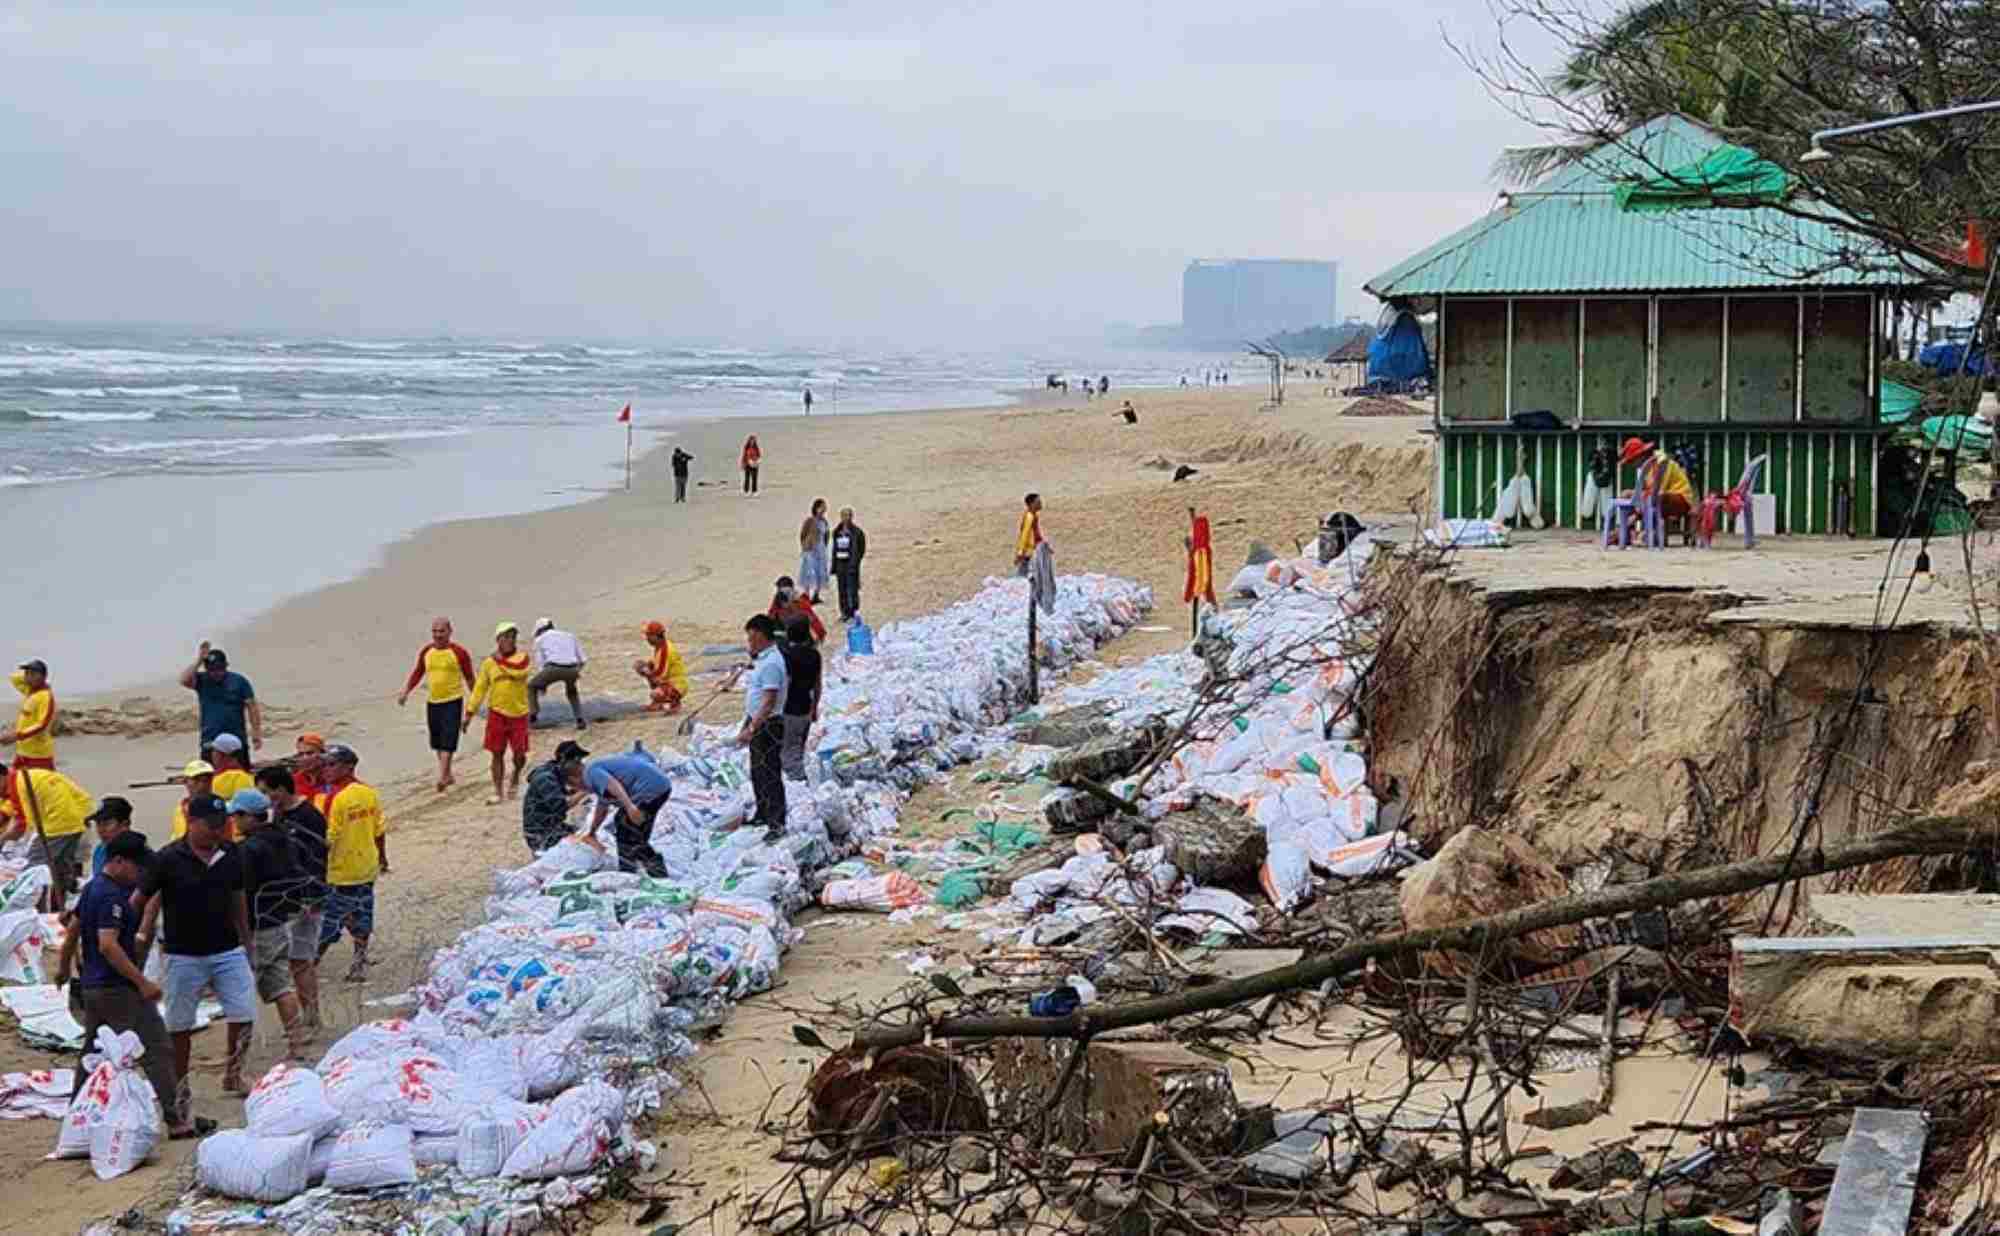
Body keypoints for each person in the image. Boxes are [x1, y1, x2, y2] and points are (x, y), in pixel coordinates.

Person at [56, 831, 210, 1139]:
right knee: (157, 1049)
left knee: (92, 1052)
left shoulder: (92, 889)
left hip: (93, 988)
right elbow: (108, 945)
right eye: (137, 868)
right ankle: (178, 1119)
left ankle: (77, 1117)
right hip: (116, 989)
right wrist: (142, 983)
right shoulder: (110, 895)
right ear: (118, 861)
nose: (140, 876)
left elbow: (73, 929)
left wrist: (63, 968)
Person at [140, 792, 255, 1097]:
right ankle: (180, 1083)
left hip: (227, 949)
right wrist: (138, 936)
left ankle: (234, 1073)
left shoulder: (230, 854)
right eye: (211, 825)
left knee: (244, 1014)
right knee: (179, 1025)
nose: (218, 831)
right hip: (182, 954)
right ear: (192, 822)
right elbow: (146, 901)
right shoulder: (167, 858)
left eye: (222, 825)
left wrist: (247, 942)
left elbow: (238, 897)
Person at [228, 788, 308, 1060]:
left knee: (241, 993)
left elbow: (241, 890)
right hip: (278, 920)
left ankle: (237, 1059)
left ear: (251, 817)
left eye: (238, 816)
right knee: (281, 985)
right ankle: (296, 1044)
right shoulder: (283, 837)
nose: (234, 822)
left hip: (255, 926)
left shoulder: (249, 850)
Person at [256, 765, 327, 1032]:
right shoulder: (276, 815)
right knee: (293, 960)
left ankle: (311, 1015)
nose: (263, 797)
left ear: (281, 789)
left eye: (265, 791)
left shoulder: (308, 816)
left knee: (301, 959)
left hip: (308, 900)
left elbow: (319, 858)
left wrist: (312, 897)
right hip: (285, 900)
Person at [315, 745, 386, 982]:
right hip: (366, 866)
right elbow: (379, 830)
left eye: (332, 764)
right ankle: (357, 964)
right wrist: (382, 858)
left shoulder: (335, 798)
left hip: (340, 870)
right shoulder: (369, 792)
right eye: (325, 764)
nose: (326, 769)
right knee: (361, 914)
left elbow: (330, 837)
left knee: (331, 920)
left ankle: (309, 967)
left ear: (348, 767)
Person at [397, 617, 476, 793]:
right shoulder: (427, 651)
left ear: (450, 632)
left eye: (441, 631)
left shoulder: (459, 652)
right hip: (433, 702)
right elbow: (418, 672)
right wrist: (406, 691)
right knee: (437, 741)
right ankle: (448, 774)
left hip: (453, 700)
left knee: (449, 739)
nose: (438, 635)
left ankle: (442, 776)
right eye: (435, 631)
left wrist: (475, 699)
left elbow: (469, 677)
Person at [1, 761, 94, 910]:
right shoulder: (28, 777)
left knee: (34, 869)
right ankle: (61, 905)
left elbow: (20, 825)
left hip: (59, 823)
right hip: (76, 815)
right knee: (61, 867)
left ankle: (36, 910)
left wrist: (2, 841)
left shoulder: (18, 784)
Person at [464, 621, 533, 803]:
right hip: (497, 713)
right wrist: (469, 713)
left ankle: (516, 775)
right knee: (497, 753)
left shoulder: (522, 658)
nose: (510, 640)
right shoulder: (489, 664)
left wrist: (499, 660)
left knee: (519, 754)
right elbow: (480, 689)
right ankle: (498, 791)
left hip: (519, 713)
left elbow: (519, 672)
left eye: (513, 637)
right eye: (506, 637)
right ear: (498, 640)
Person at [735, 615, 788, 841]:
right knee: (758, 771)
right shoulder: (763, 660)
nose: (749, 641)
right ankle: (762, 813)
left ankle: (776, 822)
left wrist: (752, 727)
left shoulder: (773, 663)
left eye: (751, 637)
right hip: (758, 722)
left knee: (770, 773)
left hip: (769, 725)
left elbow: (768, 701)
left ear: (759, 636)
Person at [581, 750, 672, 876]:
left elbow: (613, 784)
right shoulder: (595, 781)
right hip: (659, 787)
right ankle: (642, 871)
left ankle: (633, 873)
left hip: (651, 789)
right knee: (631, 831)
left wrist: (630, 807)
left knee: (627, 830)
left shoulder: (590, 772)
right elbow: (602, 807)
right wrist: (592, 832)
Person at [179, 642, 261, 757]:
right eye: (211, 669)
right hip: (210, 740)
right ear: (206, 669)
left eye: (220, 668)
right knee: (211, 773)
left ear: (226, 666)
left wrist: (256, 733)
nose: (216, 673)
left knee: (239, 773)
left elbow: (252, 707)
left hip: (236, 739)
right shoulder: (202, 680)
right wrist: (199, 660)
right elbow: (183, 680)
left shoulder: (239, 681)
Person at [522, 739, 589, 855]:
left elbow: (567, 791)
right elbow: (561, 806)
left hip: (552, 826)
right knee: (586, 845)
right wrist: (586, 790)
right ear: (564, 761)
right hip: (541, 835)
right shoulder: (545, 779)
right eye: (577, 762)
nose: (580, 766)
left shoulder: (555, 771)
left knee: (585, 832)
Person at [1618, 436, 1695, 534]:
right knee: (1626, 494)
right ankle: (1624, 534)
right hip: (1659, 496)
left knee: (1657, 497)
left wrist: (1637, 515)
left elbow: (1657, 492)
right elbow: (1646, 490)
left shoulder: (1662, 463)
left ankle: (1651, 533)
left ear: (1641, 456)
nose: (1633, 465)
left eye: (1632, 461)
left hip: (1681, 498)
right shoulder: (1647, 468)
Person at [777, 616, 822, 782]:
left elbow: (786, 683)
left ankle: (800, 784)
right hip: (806, 707)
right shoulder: (814, 655)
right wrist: (815, 708)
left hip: (790, 709)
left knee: (790, 754)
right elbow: (818, 684)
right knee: (798, 749)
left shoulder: (788, 656)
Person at [528, 618, 588, 731]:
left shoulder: (539, 640)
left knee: (531, 686)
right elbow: (583, 659)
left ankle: (533, 716)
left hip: (552, 668)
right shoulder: (570, 635)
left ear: (539, 630)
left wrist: (542, 685)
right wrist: (576, 672)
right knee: (572, 691)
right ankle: (580, 719)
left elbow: (541, 663)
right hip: (572, 669)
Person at [4, 658, 56, 770]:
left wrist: (17, 736)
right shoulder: (29, 691)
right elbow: (13, 679)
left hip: (38, 756)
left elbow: (42, 725)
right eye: (27, 673)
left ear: (43, 676)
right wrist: (28, 677)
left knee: (41, 786)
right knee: (13, 784)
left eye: (33, 674)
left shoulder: (45, 696)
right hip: (22, 752)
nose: (28, 676)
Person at [635, 622, 690, 713]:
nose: (647, 639)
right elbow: (654, 663)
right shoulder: (660, 646)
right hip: (671, 682)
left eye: (649, 636)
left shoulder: (665, 650)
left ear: (655, 636)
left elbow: (659, 674)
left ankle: (671, 703)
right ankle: (660, 702)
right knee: (643, 668)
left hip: (677, 686)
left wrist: (645, 671)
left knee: (655, 692)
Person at [830, 507, 867, 622]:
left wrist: (856, 561)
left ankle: (853, 611)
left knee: (853, 588)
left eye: (849, 515)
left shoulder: (857, 532)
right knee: (842, 589)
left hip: (851, 564)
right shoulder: (837, 531)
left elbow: (861, 548)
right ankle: (844, 612)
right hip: (840, 563)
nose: (847, 518)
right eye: (844, 515)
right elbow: (834, 549)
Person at [169, 760, 218, 841]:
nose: (202, 785)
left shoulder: (224, 808)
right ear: (186, 782)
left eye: (207, 780)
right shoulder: (181, 811)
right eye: (196, 780)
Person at [768, 576, 827, 643]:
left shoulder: (800, 602)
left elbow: (812, 619)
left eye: (779, 588)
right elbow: (770, 616)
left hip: (800, 635)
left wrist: (820, 634)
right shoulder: (778, 599)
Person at [87, 796, 134, 879]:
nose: (100, 830)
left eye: (106, 824)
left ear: (125, 825)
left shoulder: (136, 853)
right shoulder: (100, 850)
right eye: (98, 824)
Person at [797, 498, 831, 604]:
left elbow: (826, 535)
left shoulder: (824, 522)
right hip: (811, 549)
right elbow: (803, 534)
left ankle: (816, 595)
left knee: (820, 571)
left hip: (820, 549)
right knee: (809, 571)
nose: (823, 510)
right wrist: (804, 546)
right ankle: (807, 594)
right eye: (821, 507)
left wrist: (824, 546)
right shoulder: (810, 521)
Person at [208, 733, 254, 806]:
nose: (211, 754)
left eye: (214, 750)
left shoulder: (214, 781)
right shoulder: (248, 778)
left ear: (223, 754)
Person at [1015, 492, 1045, 576]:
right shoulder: (1029, 517)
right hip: (1029, 551)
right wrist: (1020, 552)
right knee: (1024, 574)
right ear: (1031, 504)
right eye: (1038, 502)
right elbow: (1024, 534)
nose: (1040, 504)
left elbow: (1036, 533)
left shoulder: (1034, 515)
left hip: (1033, 549)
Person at [291, 733, 326, 801]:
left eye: (310, 753)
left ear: (322, 754)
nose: (305, 758)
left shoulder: (332, 778)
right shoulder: (294, 781)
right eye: (300, 754)